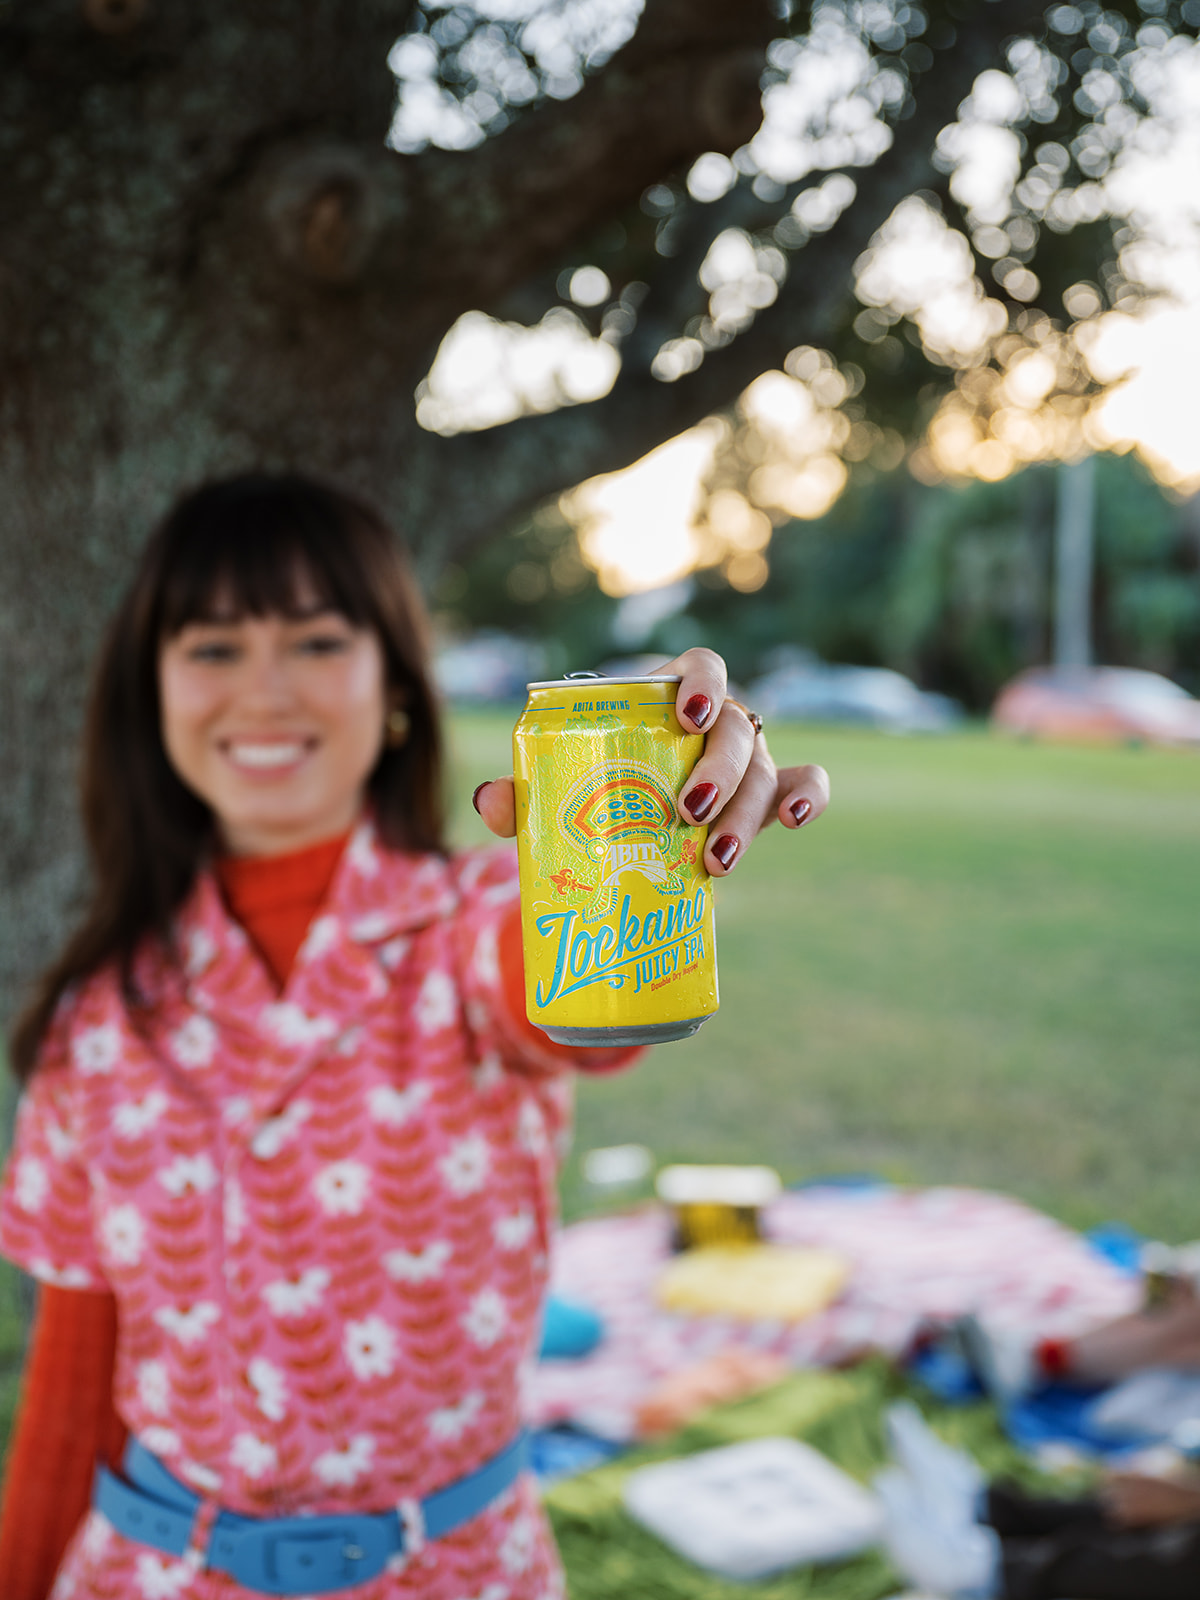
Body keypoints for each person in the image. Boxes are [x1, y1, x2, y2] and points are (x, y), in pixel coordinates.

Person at [0, 473, 829, 1600]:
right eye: (212, 647)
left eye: (317, 639)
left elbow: (561, 991)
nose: (265, 689)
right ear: (149, 690)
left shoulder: (471, 928)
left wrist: (651, 786)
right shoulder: (98, 1018)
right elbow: (71, 1387)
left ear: (396, 682)